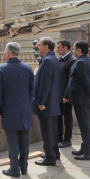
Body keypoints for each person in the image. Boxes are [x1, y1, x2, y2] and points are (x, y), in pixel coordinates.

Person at [0, 42, 34, 177]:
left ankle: (14, 169)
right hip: (25, 112)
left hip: (10, 113)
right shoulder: (28, 68)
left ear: (7, 53)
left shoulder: (1, 69)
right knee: (24, 141)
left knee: (12, 142)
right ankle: (24, 167)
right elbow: (31, 92)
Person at [65, 40, 90, 160]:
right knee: (84, 125)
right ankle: (84, 148)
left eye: (74, 49)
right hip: (85, 99)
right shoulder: (88, 61)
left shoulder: (80, 63)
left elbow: (85, 82)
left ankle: (89, 152)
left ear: (79, 50)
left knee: (85, 126)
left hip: (81, 99)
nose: (73, 51)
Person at [32, 37, 60, 166]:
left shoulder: (48, 61)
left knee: (47, 131)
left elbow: (45, 84)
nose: (38, 47)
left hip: (47, 104)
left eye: (40, 45)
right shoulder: (53, 59)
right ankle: (54, 153)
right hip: (53, 102)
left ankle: (50, 157)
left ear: (47, 47)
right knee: (53, 130)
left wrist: (41, 102)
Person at [56, 40, 76, 148]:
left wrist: (66, 95)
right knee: (59, 117)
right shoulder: (60, 60)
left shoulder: (72, 60)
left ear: (65, 48)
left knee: (67, 118)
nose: (57, 49)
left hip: (65, 96)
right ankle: (59, 138)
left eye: (59, 47)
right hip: (58, 95)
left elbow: (70, 80)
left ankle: (67, 139)